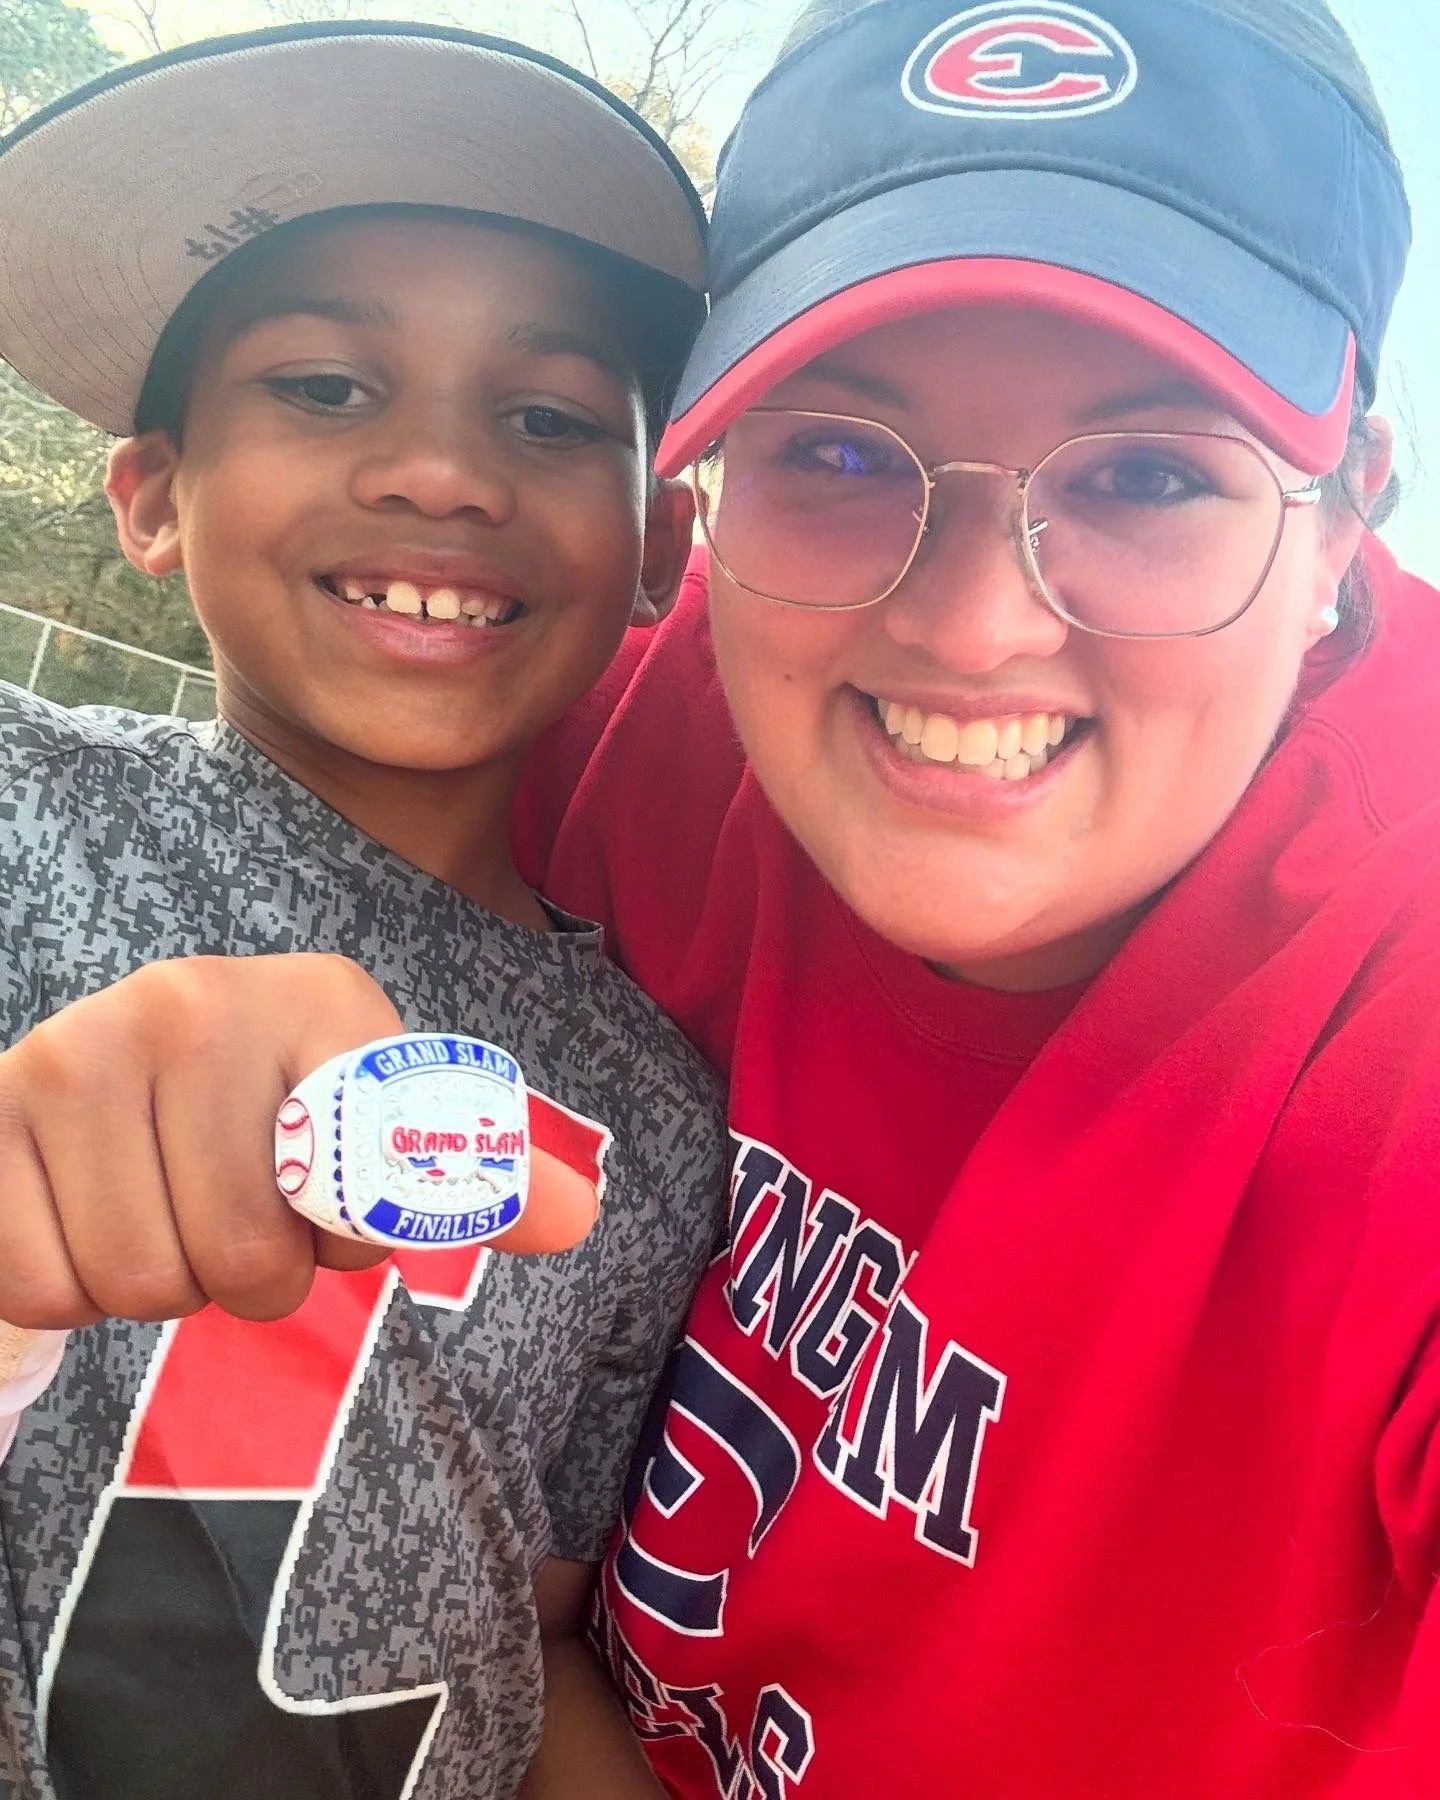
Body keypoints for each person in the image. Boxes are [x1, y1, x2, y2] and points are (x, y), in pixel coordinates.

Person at [512, 0, 1440, 1793]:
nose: (970, 623)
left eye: (1151, 474)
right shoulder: (649, 708)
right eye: (841, 455)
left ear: (1345, 519)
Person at [0, 24, 724, 1800]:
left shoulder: (661, 1108)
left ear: (657, 552)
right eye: (325, 387)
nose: (444, 475)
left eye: (551, 418)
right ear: (156, 492)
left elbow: (534, 1619)